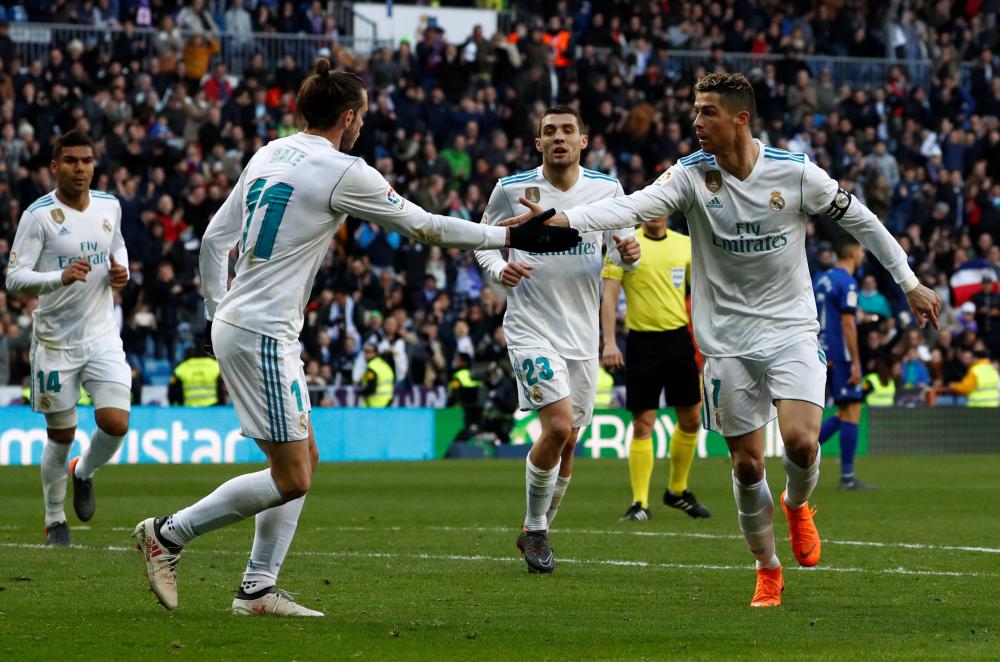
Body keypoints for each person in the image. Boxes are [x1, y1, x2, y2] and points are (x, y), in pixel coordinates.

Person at [132, 59, 579, 617]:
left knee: (303, 462)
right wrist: (507, 233)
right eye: (362, 116)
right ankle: (168, 535)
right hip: (262, 332)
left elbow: (212, 239)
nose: (362, 125)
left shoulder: (268, 153)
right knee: (293, 475)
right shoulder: (344, 170)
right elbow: (425, 227)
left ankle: (256, 591)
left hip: (249, 324)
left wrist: (216, 312)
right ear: (348, 117)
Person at [505, 72, 940, 606]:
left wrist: (910, 282)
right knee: (747, 464)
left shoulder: (796, 172)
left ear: (740, 118)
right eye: (694, 110)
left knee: (802, 442)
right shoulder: (690, 176)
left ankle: (798, 506)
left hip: (790, 330)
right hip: (726, 342)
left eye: (706, 112)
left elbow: (864, 221)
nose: (695, 122)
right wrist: (559, 219)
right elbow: (627, 208)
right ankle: (767, 569)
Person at [475, 105, 640, 574]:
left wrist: (630, 252)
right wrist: (498, 269)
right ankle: (535, 529)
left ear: (583, 141)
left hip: (582, 334)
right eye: (550, 131)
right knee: (560, 425)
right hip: (531, 327)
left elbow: (624, 252)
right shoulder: (511, 189)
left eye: (569, 130)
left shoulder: (606, 190)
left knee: (569, 442)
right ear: (539, 143)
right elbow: (482, 240)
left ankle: (537, 530)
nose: (560, 137)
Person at [7, 130, 133, 547]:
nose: (81, 168)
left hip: (101, 335)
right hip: (56, 342)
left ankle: (84, 472)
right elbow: (13, 278)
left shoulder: (109, 206)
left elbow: (117, 247)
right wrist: (57, 277)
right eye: (72, 160)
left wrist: (122, 272)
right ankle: (54, 519)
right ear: (54, 166)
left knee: (115, 423)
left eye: (87, 160)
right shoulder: (38, 216)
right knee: (60, 434)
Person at [601, 215, 709, 522]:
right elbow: (608, 296)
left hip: (678, 339)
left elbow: (704, 291)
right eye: (648, 208)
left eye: (659, 207)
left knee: (691, 419)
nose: (654, 214)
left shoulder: (685, 245)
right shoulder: (624, 246)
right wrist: (609, 342)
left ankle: (677, 490)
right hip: (642, 343)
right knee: (642, 423)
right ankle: (640, 503)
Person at [813, 235, 873, 490]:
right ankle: (847, 477)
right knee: (852, 412)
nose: (863, 255)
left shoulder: (820, 279)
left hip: (819, 349)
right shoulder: (847, 283)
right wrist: (856, 362)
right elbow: (847, 323)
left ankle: (803, 447)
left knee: (845, 411)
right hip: (841, 353)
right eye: (861, 250)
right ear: (852, 253)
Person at [934, 348, 999, 407]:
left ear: (975, 358)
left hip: (979, 405)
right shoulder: (993, 370)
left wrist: (954, 386)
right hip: (994, 405)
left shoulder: (975, 370)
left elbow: (966, 388)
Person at [358, 342, 394, 408]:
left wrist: (360, 392)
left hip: (375, 403)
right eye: (365, 351)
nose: (366, 354)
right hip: (388, 400)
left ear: (375, 353)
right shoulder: (384, 365)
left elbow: (371, 388)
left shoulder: (371, 368)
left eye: (369, 352)